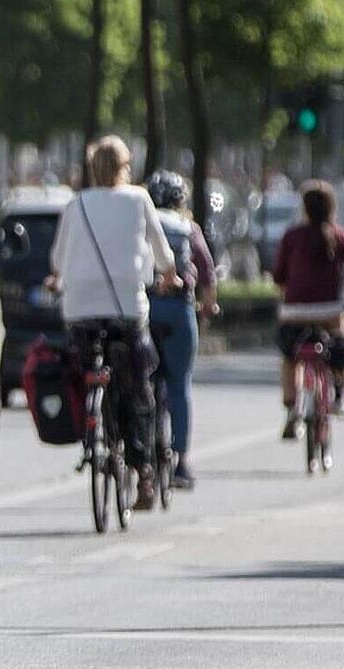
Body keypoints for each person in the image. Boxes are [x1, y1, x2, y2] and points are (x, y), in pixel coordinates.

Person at [49, 136, 178, 510]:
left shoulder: (77, 204)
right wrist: (169, 275)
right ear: (126, 167)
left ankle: (91, 425)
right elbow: (162, 252)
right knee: (140, 389)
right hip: (126, 308)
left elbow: (58, 258)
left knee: (86, 366)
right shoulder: (138, 200)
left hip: (80, 309)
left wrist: (59, 278)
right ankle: (144, 470)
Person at [272, 180, 344, 439]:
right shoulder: (341, 236)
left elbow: (278, 276)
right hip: (329, 311)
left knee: (290, 357)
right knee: (341, 337)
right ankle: (339, 394)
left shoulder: (291, 236)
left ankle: (292, 408)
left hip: (294, 312)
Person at [145, 170, 219, 490]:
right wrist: (208, 306)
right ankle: (181, 461)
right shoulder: (189, 228)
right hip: (178, 310)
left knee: (144, 382)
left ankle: (144, 454)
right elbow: (207, 276)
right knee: (179, 384)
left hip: (146, 308)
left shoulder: (142, 225)